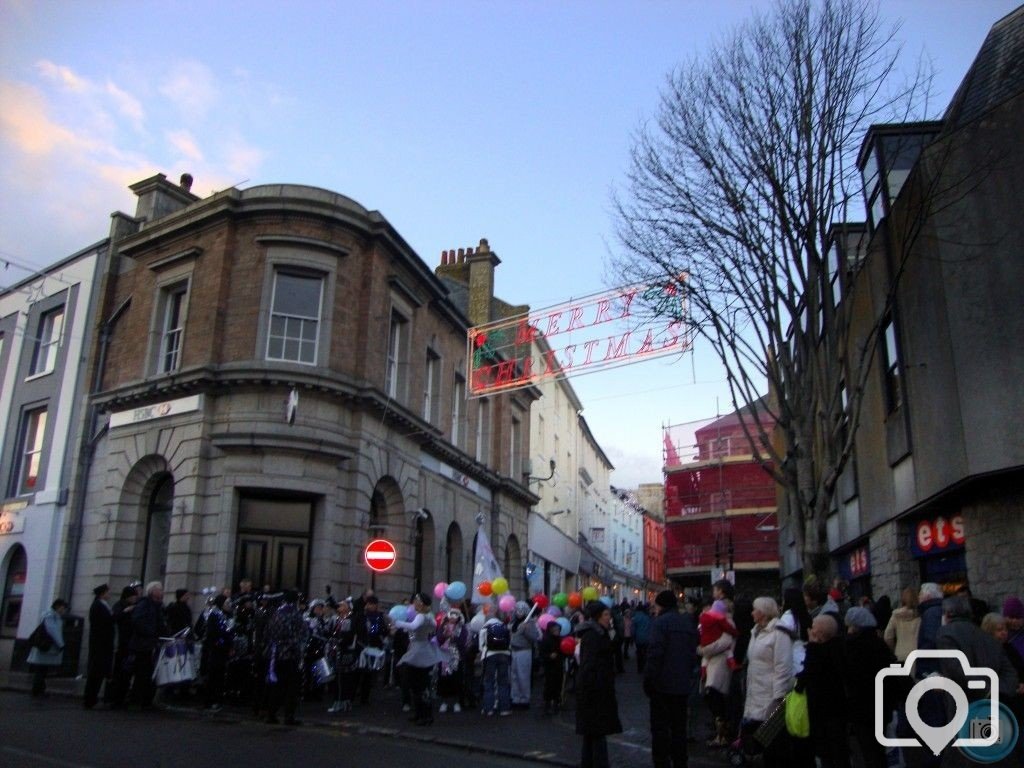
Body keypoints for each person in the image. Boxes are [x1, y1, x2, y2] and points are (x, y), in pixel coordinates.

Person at [644, 589, 698, 768]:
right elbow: (693, 653)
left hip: (662, 686)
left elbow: (655, 654)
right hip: (681, 686)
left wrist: (649, 680)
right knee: (678, 729)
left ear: (661, 605)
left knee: (660, 729)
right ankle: (680, 761)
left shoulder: (660, 624)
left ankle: (661, 762)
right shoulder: (687, 622)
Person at [741, 596, 793, 768]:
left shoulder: (779, 632)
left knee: (773, 743)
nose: (752, 612)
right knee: (759, 740)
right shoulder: (755, 631)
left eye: (755, 609)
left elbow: (782, 666)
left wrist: (778, 697)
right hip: (756, 691)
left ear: (763, 612)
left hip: (771, 695)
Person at [844, 606, 895, 768]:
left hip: (860, 708)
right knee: (879, 750)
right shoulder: (879, 645)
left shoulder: (850, 646)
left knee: (867, 750)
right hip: (881, 705)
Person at [797, 614, 849, 768]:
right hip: (837, 707)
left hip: (821, 708)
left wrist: (812, 646)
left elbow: (808, 673)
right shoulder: (840, 648)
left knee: (827, 749)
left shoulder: (817, 652)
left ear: (818, 633)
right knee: (839, 749)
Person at [576, 600, 622, 768]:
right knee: (596, 732)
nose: (609, 618)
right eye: (606, 615)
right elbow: (590, 664)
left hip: (595, 688)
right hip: (595, 690)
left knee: (592, 733)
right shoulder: (594, 636)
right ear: (597, 617)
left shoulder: (599, 634)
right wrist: (595, 686)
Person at [393, 592, 443, 726]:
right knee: (421, 684)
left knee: (417, 684)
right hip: (424, 648)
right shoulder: (430, 616)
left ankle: (424, 715)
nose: (414, 603)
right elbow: (431, 627)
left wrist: (398, 623)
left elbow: (413, 626)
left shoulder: (421, 616)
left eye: (416, 601)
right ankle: (423, 714)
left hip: (418, 651)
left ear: (421, 603)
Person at [264, 589, 309, 725]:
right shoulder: (294, 614)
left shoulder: (276, 613)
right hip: (290, 654)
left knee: (277, 686)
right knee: (291, 687)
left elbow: (268, 633)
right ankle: (289, 716)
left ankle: (271, 714)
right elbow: (302, 633)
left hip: (276, 654)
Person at [699, 598, 737, 747]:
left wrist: (704, 650)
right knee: (713, 698)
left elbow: (724, 643)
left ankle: (723, 734)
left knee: (716, 697)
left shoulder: (728, 623)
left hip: (720, 664)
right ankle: (720, 732)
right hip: (713, 663)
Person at [129, 581, 167, 707]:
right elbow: (137, 622)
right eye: (160, 589)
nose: (162, 592)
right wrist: (151, 633)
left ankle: (147, 700)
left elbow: (160, 624)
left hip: (152, 644)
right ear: (153, 592)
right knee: (142, 673)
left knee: (150, 673)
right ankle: (137, 700)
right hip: (143, 645)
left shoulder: (158, 606)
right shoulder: (144, 604)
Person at [28, 598, 68, 697]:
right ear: (58, 607)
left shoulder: (51, 616)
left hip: (45, 646)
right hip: (46, 646)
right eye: (63, 608)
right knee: (41, 669)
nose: (64, 610)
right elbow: (53, 631)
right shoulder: (51, 616)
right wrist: (61, 644)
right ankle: (38, 690)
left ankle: (39, 689)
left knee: (42, 669)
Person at [107, 585, 139, 708]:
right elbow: (115, 618)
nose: (134, 599)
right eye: (132, 596)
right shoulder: (119, 606)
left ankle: (122, 696)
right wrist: (125, 611)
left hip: (130, 643)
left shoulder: (133, 607)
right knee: (120, 672)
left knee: (126, 673)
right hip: (122, 644)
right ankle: (116, 698)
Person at [83, 584, 114, 709]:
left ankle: (92, 698)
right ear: (102, 593)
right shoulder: (98, 606)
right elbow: (106, 621)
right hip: (100, 643)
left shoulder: (101, 605)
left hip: (102, 643)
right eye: (107, 592)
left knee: (99, 672)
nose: (109, 594)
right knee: (96, 672)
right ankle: (90, 699)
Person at [326, 599, 360, 713]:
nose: (339, 607)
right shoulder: (340, 619)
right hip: (341, 652)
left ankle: (341, 702)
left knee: (342, 679)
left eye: (342, 605)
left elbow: (345, 637)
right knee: (343, 679)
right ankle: (344, 701)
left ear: (348, 608)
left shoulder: (348, 620)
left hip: (344, 653)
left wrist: (336, 641)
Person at [355, 595, 389, 705]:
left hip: (373, 647)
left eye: (372, 604)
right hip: (363, 646)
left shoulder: (378, 616)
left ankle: (364, 697)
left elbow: (380, 630)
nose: (370, 606)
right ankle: (360, 694)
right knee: (362, 673)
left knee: (369, 674)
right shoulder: (362, 615)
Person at [479, 607, 513, 716]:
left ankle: (488, 708)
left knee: (489, 682)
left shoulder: (484, 628)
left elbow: (481, 646)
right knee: (503, 682)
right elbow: (509, 642)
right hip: (504, 655)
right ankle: (504, 709)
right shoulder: (504, 626)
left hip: (490, 655)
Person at [436, 609, 470, 714]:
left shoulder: (462, 628)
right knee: (444, 679)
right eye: (451, 615)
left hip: (456, 656)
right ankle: (444, 702)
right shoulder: (443, 626)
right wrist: (445, 635)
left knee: (456, 679)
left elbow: (463, 642)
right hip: (444, 656)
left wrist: (454, 637)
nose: (453, 618)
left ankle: (456, 702)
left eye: (455, 616)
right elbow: (438, 639)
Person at [201, 594, 231, 711]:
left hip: (222, 650)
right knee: (213, 676)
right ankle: (210, 700)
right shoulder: (215, 615)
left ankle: (216, 699)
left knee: (219, 676)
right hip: (216, 650)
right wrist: (220, 642)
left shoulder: (225, 615)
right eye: (226, 603)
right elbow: (212, 634)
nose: (229, 605)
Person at [510, 600, 539, 708]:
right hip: (513, 651)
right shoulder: (513, 623)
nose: (519, 612)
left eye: (522, 610)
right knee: (514, 676)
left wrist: (526, 630)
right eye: (517, 610)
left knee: (523, 676)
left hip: (524, 651)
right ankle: (515, 697)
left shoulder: (529, 623)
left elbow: (535, 637)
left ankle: (524, 698)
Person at [883, 587, 920, 664]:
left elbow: (887, 637)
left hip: (900, 653)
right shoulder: (920, 615)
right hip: (917, 653)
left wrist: (893, 649)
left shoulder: (896, 616)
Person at [539, 619, 565, 714]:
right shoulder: (546, 639)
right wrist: (549, 656)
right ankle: (548, 703)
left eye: (558, 629)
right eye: (555, 629)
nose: (557, 631)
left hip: (558, 665)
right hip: (549, 666)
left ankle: (556, 702)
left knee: (558, 683)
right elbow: (542, 653)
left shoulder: (560, 639)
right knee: (549, 684)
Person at [632, 603, 652, 673]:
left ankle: (640, 668)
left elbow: (633, 629)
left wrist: (633, 637)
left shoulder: (635, 618)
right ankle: (645, 666)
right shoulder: (647, 617)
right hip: (647, 638)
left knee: (639, 653)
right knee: (646, 653)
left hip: (638, 638)